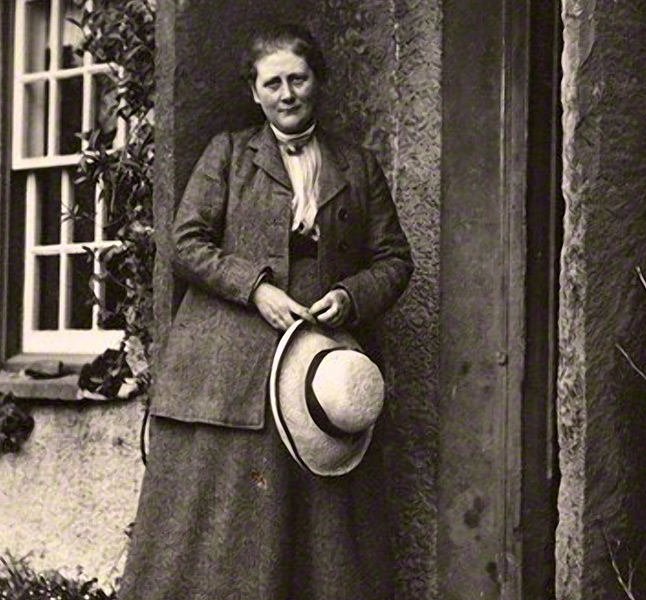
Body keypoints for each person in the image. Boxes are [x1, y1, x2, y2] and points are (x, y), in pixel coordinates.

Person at [117, 23, 413, 600]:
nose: (287, 93)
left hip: (317, 368)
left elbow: (394, 260)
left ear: (317, 83)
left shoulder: (358, 165)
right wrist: (254, 287)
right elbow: (186, 242)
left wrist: (351, 298)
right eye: (272, 83)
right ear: (255, 93)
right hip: (231, 367)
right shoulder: (228, 154)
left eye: (297, 79)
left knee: (324, 529)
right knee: (229, 527)